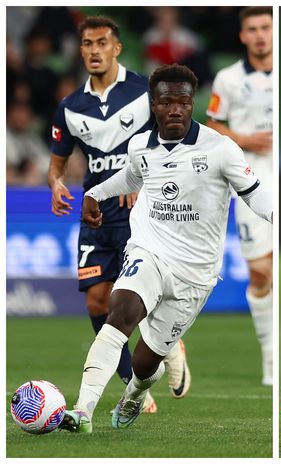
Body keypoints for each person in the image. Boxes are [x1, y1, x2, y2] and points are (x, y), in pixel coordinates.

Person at [59, 64, 273, 433]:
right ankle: (82, 410)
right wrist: (94, 193)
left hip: (196, 273)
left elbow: (256, 195)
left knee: (145, 364)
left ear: (193, 104)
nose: (175, 109)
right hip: (149, 250)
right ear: (152, 105)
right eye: (166, 102)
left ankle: (136, 392)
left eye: (183, 102)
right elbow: (131, 175)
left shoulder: (221, 149)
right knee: (120, 312)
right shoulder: (141, 145)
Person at [47, 16, 191, 415]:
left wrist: (145, 182)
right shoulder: (69, 107)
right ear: (81, 51)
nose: (94, 50)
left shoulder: (145, 91)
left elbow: (173, 143)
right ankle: (133, 378)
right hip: (97, 209)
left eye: (102, 43)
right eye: (87, 43)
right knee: (97, 299)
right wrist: (57, 184)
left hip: (142, 208)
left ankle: (164, 341)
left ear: (117, 48)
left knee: (131, 295)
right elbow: (56, 164)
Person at [206, 6, 273, 386]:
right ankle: (269, 357)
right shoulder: (228, 78)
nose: (261, 34)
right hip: (250, 176)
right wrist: (246, 139)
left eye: (266, 27)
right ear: (243, 35)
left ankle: (279, 351)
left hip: (280, 173)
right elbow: (214, 123)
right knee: (260, 271)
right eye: (253, 29)